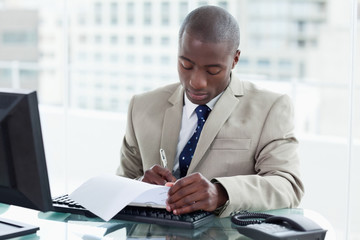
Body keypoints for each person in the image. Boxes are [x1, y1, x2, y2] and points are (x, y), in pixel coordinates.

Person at [117, 5, 304, 218]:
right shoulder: (141, 106)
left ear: (235, 59)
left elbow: (287, 186)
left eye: (212, 70)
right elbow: (119, 184)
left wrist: (221, 193)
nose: (196, 82)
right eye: (186, 65)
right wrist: (140, 185)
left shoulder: (271, 108)